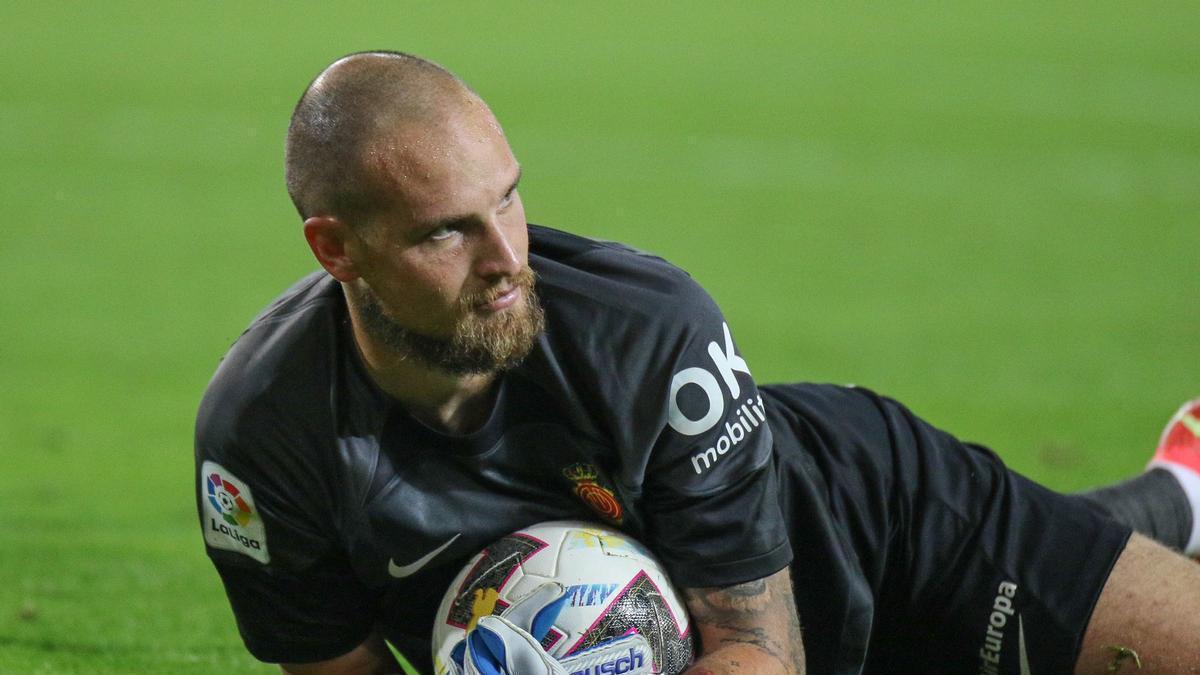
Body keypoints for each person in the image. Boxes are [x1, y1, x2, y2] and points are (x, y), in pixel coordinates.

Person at [194, 51, 1200, 675]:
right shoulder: (263, 440)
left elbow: (760, 647)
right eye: (446, 233)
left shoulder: (649, 333)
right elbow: (336, 668)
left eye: (509, 198)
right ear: (336, 250)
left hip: (872, 534)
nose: (508, 258)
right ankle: (1175, 494)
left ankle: (1175, 501)